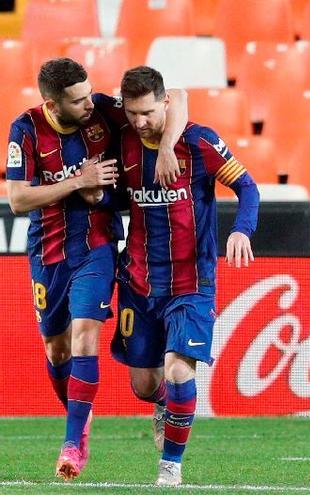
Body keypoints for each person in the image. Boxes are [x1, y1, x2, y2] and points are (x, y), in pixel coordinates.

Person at [6, 57, 186, 481]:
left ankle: (73, 444)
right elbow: (17, 200)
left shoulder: (102, 109)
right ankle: (79, 415)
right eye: (79, 99)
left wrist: (163, 148)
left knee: (85, 334)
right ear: (53, 104)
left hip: (98, 246)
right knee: (57, 349)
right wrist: (78, 182)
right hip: (47, 252)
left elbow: (177, 98)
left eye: (89, 93)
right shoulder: (27, 129)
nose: (91, 103)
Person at [103, 66, 259, 486]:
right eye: (132, 113)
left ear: (165, 104)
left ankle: (170, 466)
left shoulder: (199, 142)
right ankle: (163, 405)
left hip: (192, 283)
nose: (140, 122)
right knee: (144, 384)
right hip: (138, 283)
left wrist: (241, 230)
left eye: (148, 112)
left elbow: (247, 187)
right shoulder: (123, 139)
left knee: (178, 371)